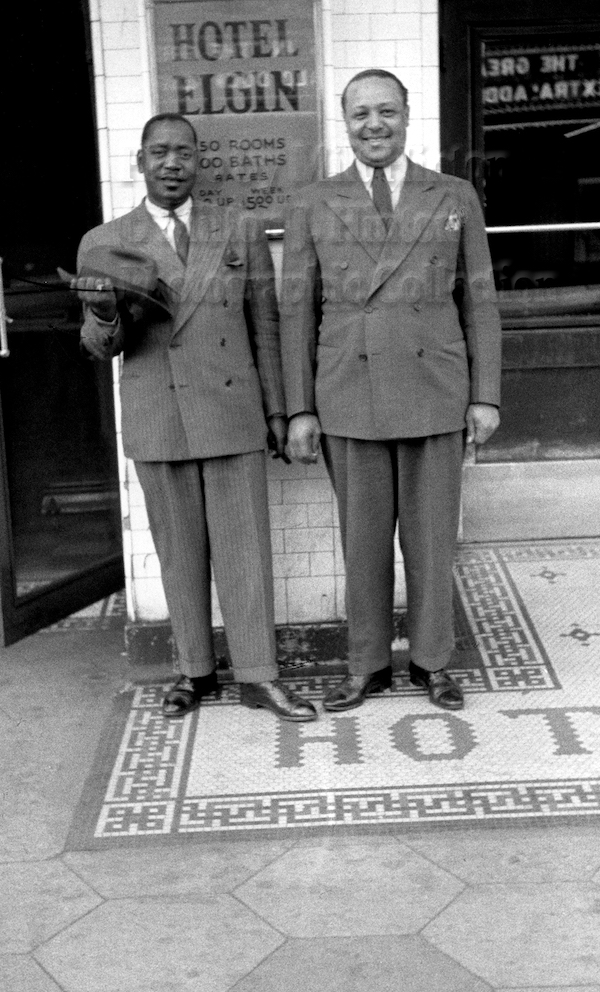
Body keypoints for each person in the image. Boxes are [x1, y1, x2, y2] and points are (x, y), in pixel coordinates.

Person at [73, 112, 316, 722]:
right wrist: (105, 315)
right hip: (160, 413)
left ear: (198, 162)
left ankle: (259, 676)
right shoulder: (103, 242)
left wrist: (280, 413)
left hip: (233, 413)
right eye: (160, 153)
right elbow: (100, 347)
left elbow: (266, 324)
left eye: (183, 152)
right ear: (140, 162)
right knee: (178, 552)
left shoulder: (238, 228)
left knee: (246, 552)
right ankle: (194, 671)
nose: (172, 163)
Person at [280, 70, 502, 712]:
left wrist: (485, 392)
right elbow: (296, 311)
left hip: (435, 388)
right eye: (359, 114)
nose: (373, 124)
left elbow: (480, 299)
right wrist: (300, 408)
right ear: (343, 122)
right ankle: (368, 664)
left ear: (408, 115)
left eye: (386, 111)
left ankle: (433, 661)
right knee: (364, 540)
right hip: (350, 391)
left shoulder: (454, 193)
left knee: (433, 540)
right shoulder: (312, 201)